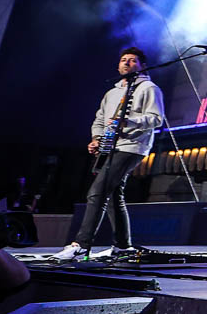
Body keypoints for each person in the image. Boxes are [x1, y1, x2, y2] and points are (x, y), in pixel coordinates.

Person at [53, 47, 165, 262]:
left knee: (98, 192)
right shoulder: (112, 93)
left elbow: (156, 118)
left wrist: (130, 121)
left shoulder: (149, 88)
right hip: (109, 147)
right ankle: (123, 246)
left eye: (132, 61)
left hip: (131, 146)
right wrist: (96, 138)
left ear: (142, 65)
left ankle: (81, 245)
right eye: (123, 60)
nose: (127, 63)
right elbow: (100, 118)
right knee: (113, 196)